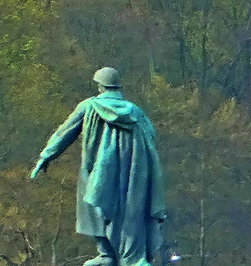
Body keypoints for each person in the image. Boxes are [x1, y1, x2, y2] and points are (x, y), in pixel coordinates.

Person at [31, 67, 169, 266]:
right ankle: (124, 256)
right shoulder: (135, 111)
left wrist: (46, 156)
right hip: (133, 170)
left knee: (92, 204)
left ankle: (108, 254)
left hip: (99, 169)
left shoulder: (89, 106)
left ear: (100, 85)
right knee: (131, 210)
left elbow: (65, 132)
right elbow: (151, 134)